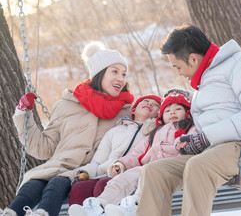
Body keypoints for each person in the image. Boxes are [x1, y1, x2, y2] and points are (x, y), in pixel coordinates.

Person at [135, 24, 241, 216]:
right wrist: (192, 142)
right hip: (213, 155)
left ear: (193, 58)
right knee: (154, 172)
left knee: (198, 166)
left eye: (178, 66)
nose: (178, 72)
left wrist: (206, 137)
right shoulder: (202, 85)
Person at [2, 41, 134, 216]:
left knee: (57, 182)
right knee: (34, 183)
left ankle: (43, 213)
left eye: (124, 74)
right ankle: (11, 213)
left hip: (90, 173)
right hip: (57, 166)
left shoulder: (127, 112)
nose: (121, 78)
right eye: (115, 71)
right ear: (99, 73)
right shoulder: (67, 104)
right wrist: (23, 115)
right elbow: (43, 148)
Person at [68, 92, 198, 216]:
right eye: (167, 111)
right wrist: (121, 164)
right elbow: (137, 153)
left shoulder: (188, 127)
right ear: (162, 116)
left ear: (187, 113)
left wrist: (186, 144)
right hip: (146, 167)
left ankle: (132, 206)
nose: (172, 112)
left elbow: (194, 139)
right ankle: (98, 205)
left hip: (169, 169)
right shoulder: (154, 132)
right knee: (122, 179)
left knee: (147, 177)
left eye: (178, 109)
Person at [68, 94, 161, 206]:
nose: (149, 104)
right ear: (134, 109)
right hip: (104, 173)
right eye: (145, 101)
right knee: (79, 187)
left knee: (103, 184)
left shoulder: (156, 133)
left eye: (155, 105)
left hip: (129, 177)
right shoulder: (115, 131)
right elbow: (97, 162)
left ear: (158, 114)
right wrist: (85, 173)